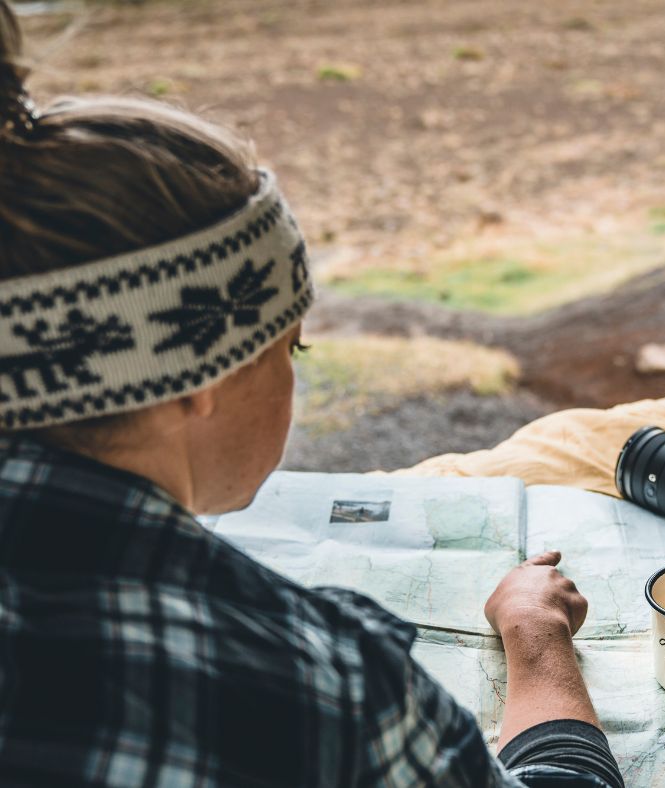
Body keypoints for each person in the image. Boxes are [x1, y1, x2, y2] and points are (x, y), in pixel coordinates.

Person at [0, 3, 623, 786]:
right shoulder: (317, 687)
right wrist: (536, 636)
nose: (295, 370)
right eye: (291, 345)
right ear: (200, 375)